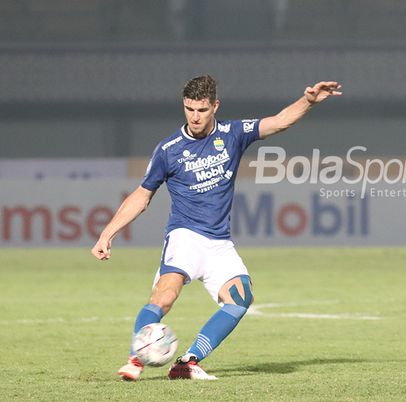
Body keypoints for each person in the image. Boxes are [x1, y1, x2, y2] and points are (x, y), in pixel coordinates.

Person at [91, 75, 342, 381]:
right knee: (165, 296)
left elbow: (279, 122)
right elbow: (142, 196)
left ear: (215, 106)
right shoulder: (169, 149)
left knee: (241, 298)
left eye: (201, 109)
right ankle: (136, 358)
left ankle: (188, 362)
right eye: (189, 109)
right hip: (184, 237)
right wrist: (107, 233)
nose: (194, 116)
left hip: (219, 243)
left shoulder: (233, 133)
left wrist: (308, 101)